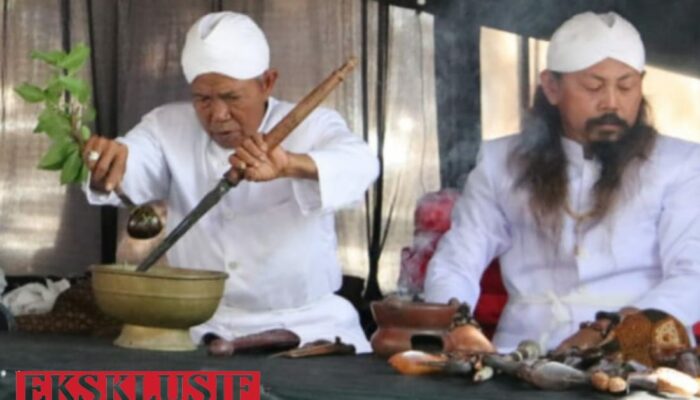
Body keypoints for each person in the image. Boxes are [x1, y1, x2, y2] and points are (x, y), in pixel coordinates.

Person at [81, 11, 378, 352]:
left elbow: (361, 163)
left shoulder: (314, 126)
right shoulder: (167, 126)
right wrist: (109, 164)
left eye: (231, 97)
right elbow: (132, 162)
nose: (217, 115)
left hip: (307, 326)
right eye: (203, 99)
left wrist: (290, 165)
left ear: (267, 82)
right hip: (197, 326)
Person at [424, 11, 700, 353]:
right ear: (552, 87)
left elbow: (693, 275)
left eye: (626, 86)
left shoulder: (681, 163)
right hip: (524, 352)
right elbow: (458, 259)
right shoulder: (502, 161)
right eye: (593, 86)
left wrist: (611, 332)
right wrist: (456, 322)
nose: (612, 102)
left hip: (640, 353)